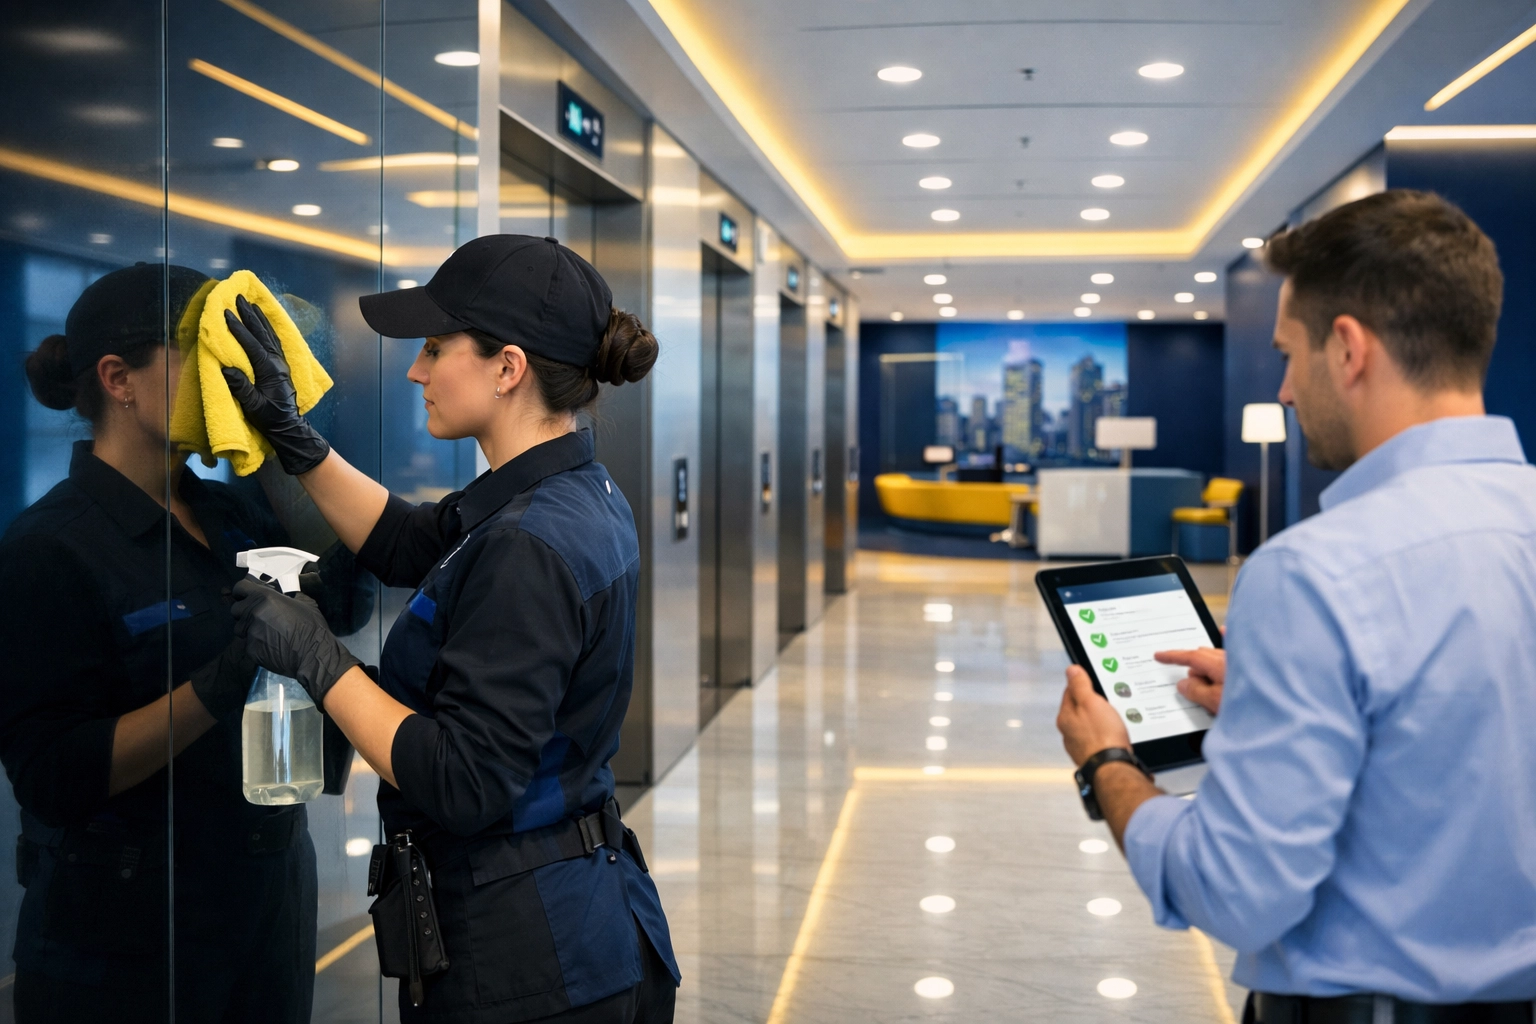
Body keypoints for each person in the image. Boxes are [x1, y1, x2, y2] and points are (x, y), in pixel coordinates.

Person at [1055, 190, 1536, 1023]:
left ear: (1347, 349)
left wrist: (1108, 765)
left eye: (1288, 352)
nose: (1281, 387)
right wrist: (1282, 690)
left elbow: (1234, 891)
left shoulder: (1314, 573)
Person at [221, 234, 681, 1022]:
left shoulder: (528, 544)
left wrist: (317, 659)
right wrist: (294, 439)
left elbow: (466, 780)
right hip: (579, 915)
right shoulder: (564, 489)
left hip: (527, 962)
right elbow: (405, 541)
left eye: (436, 348)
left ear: (508, 368)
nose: (416, 370)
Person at [0, 263, 352, 1022]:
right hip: (126, 932)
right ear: (118, 378)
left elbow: (347, 596)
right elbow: (53, 774)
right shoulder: (49, 549)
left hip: (265, 901)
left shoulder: (231, 515)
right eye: (205, 357)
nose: (227, 380)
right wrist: (218, 685)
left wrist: (285, 442)